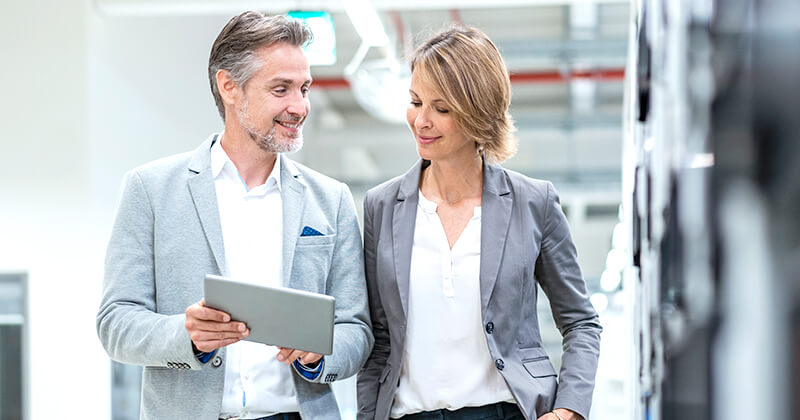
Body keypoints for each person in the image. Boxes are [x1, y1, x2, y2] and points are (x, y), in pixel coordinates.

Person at [97, 11, 373, 420]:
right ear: (229, 87)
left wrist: (321, 351)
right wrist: (186, 334)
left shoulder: (330, 199)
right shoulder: (150, 190)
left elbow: (357, 329)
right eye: (281, 89)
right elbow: (116, 323)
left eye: (304, 88)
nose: (299, 106)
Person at [356, 26, 601, 420]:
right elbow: (380, 339)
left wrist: (569, 408)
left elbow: (580, 322)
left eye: (442, 108)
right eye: (416, 101)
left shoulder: (533, 202)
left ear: (477, 114)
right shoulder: (382, 206)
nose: (421, 120)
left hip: (505, 411)